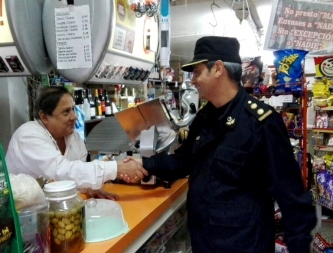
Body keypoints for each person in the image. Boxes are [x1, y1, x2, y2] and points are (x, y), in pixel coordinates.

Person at [124, 36, 316, 252]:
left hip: (244, 243)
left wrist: (299, 246)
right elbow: (182, 161)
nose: (193, 80)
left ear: (217, 69)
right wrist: (142, 163)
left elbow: (291, 196)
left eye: (196, 72)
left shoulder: (261, 123)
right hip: (204, 240)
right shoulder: (205, 118)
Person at [6, 86, 147, 200]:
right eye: (66, 112)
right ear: (44, 117)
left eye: (73, 109)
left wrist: (89, 186)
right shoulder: (29, 136)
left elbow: (78, 171)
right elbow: (61, 170)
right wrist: (115, 168)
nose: (74, 117)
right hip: (20, 211)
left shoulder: (71, 136)